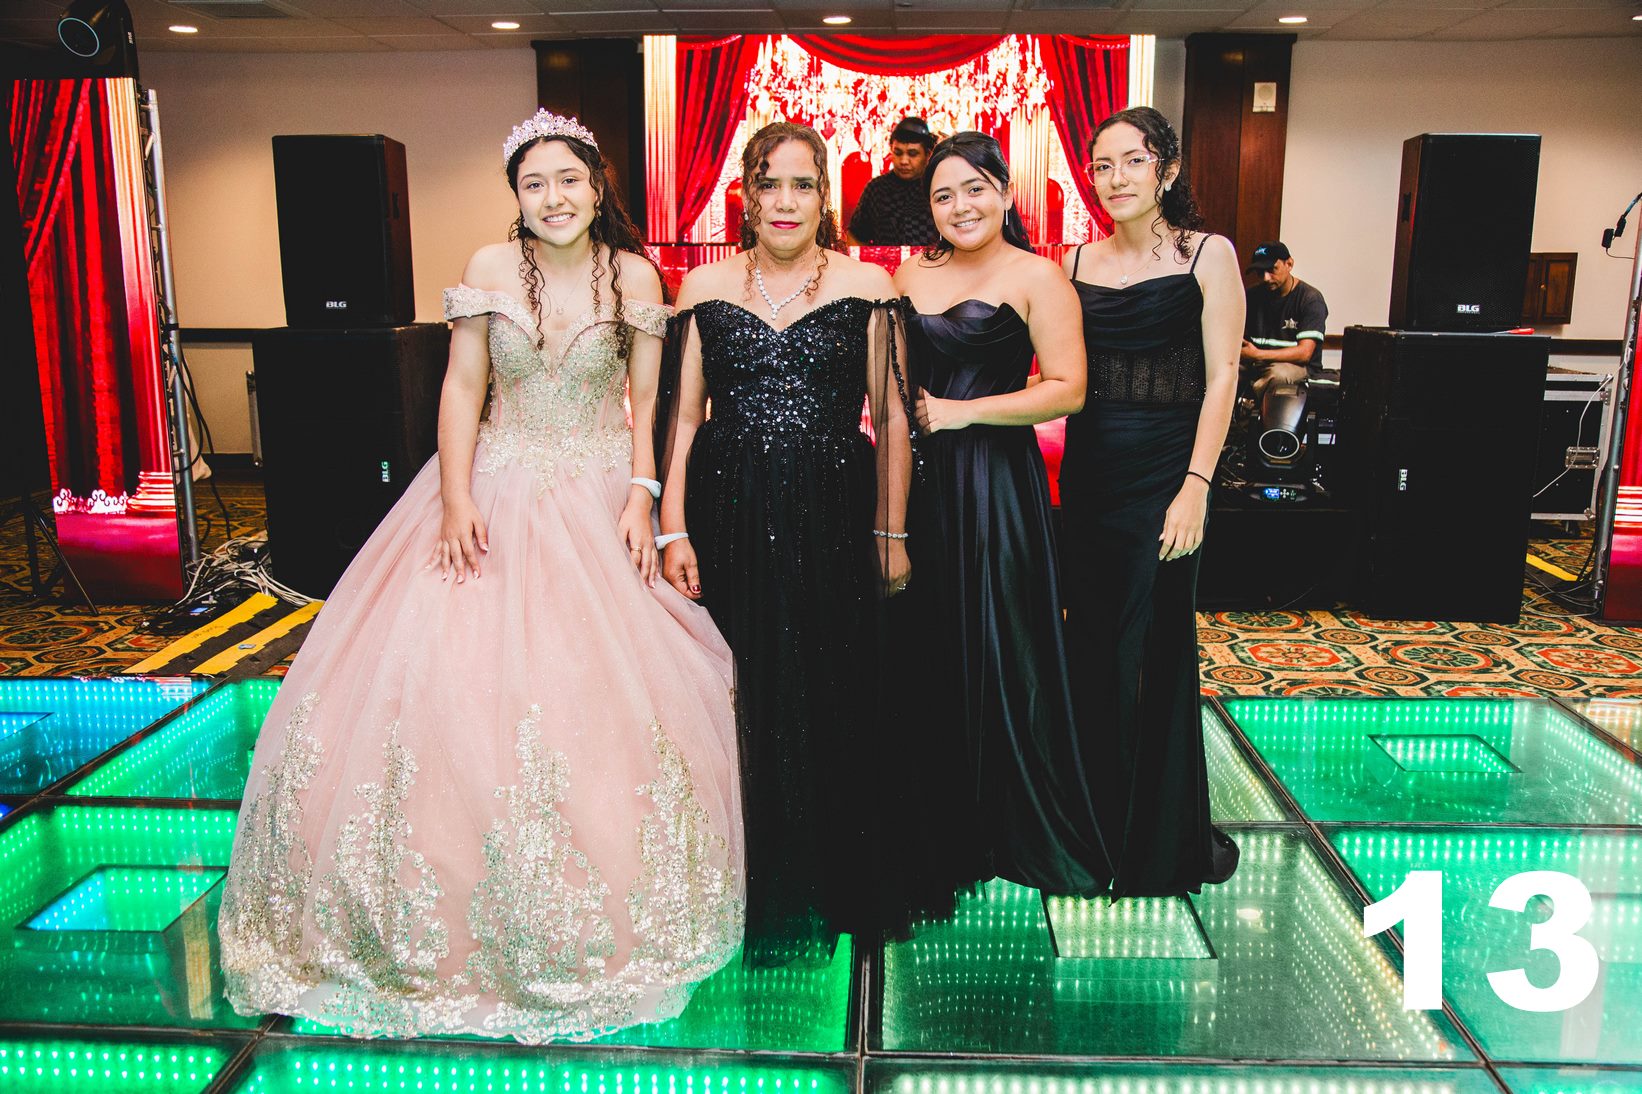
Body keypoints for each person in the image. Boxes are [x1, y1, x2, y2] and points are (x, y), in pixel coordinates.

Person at [217, 110, 745, 1043]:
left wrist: (641, 493)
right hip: (493, 484)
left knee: (606, 692)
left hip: (596, 492)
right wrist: (456, 497)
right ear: (517, 197)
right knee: (441, 684)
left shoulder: (634, 276)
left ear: (598, 186)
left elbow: (647, 397)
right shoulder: (491, 268)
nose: (553, 198)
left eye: (569, 179)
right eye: (534, 184)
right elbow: (463, 386)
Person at [659, 121, 923, 964]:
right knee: (738, 687)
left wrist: (891, 531)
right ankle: (740, 877)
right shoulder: (703, 285)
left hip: (833, 510)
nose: (784, 201)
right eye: (768, 183)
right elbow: (682, 418)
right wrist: (672, 526)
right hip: (727, 509)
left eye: (801, 185)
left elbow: (893, 418)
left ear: (824, 197)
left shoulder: (869, 284)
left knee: (829, 682)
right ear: (745, 194)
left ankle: (826, 875)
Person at [892, 131, 1110, 897]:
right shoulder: (909, 273)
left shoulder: (1037, 275)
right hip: (920, 483)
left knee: (999, 639)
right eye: (943, 196)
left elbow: (1068, 388)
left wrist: (962, 412)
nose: (960, 206)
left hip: (996, 484)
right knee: (928, 639)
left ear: (1005, 192)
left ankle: (1009, 820)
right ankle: (938, 818)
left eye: (974, 189)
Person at [1060, 106, 1242, 897]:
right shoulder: (1074, 261)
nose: (1116, 178)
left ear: (1166, 169)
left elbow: (1224, 375)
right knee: (1092, 647)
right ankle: (1093, 827)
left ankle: (1156, 840)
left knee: (1155, 648)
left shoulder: (1208, 254)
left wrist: (1196, 486)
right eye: (1102, 165)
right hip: (1092, 476)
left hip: (1170, 475)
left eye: (1133, 161)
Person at [1240, 240, 1329, 395]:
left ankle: (1254, 408)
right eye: (1260, 272)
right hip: (1257, 363)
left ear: (1289, 264)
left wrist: (1257, 354)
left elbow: (1304, 353)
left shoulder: (1310, 299)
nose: (1266, 278)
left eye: (1271, 269)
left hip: (1297, 367)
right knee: (1224, 370)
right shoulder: (1251, 296)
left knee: (1278, 375)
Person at [845, 116, 938, 247]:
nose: (904, 161)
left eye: (912, 154)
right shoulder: (876, 189)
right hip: (884, 261)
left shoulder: (937, 188)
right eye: (898, 153)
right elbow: (855, 236)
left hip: (931, 260)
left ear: (927, 155)